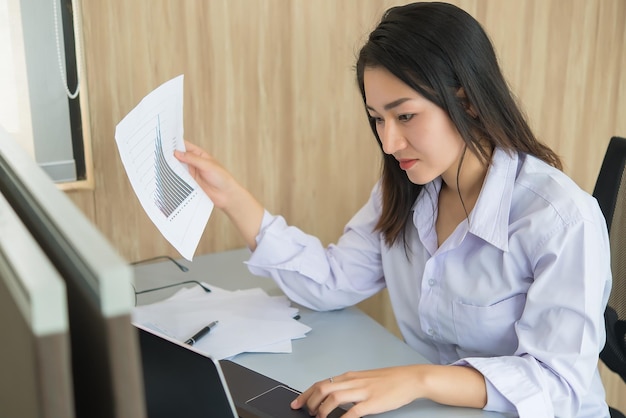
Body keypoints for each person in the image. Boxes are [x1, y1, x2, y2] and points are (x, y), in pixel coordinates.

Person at [174, 2, 612, 417]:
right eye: (377, 119)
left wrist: (421, 380)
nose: (388, 143)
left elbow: (559, 384)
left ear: (468, 101)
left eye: (404, 116)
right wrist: (232, 198)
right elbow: (332, 280)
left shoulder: (559, 219)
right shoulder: (405, 191)